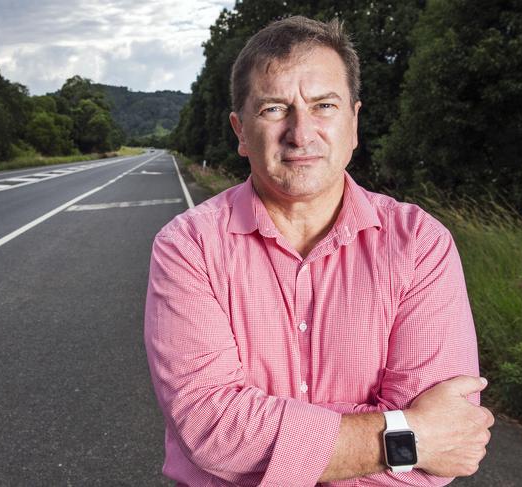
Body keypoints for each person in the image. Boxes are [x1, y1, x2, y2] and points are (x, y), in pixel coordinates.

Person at [144, 16, 493, 487]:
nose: (301, 132)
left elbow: (446, 447)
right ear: (241, 131)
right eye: (273, 109)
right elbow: (213, 430)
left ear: (354, 122)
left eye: (324, 105)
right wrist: (408, 436)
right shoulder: (188, 247)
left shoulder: (420, 244)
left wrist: (273, 440)